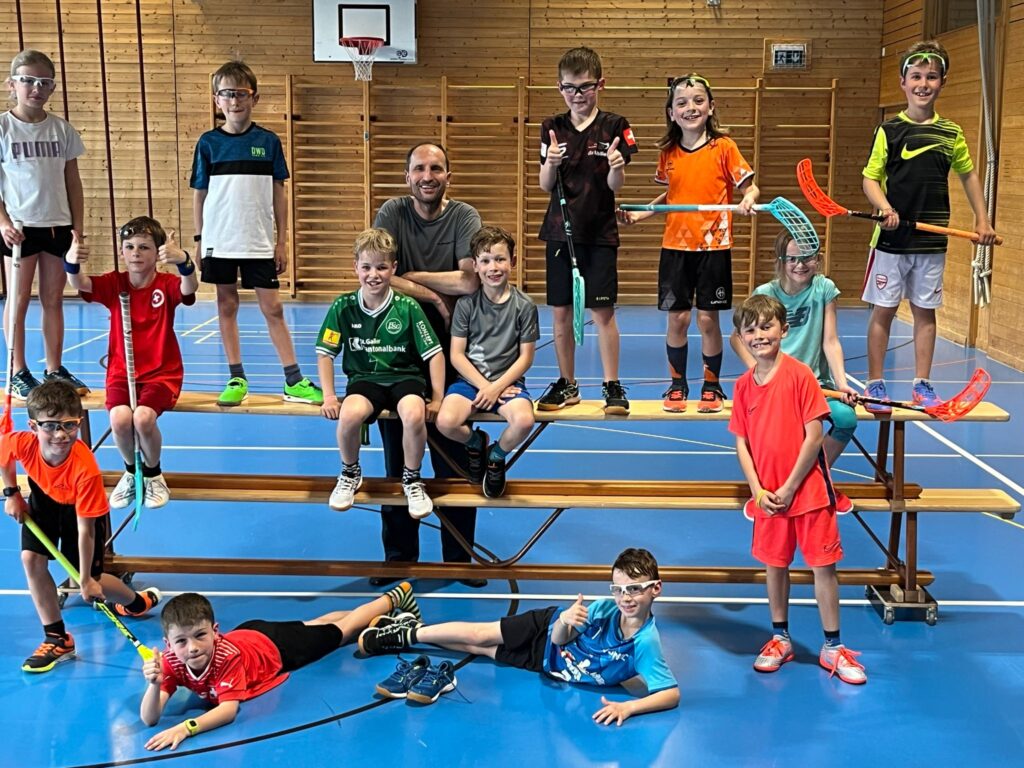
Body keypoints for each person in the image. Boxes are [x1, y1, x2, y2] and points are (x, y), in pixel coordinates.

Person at [358, 547, 679, 723]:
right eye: (618, 589)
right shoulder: (603, 609)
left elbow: (670, 693)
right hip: (545, 627)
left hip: (545, 663)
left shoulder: (645, 643)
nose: (625, 598)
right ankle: (408, 633)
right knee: (481, 634)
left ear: (656, 589)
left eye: (635, 589)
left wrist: (627, 708)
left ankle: (409, 624)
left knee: (479, 649)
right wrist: (565, 620)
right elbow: (560, 638)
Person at [729, 294, 866, 685]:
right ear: (741, 337)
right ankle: (780, 638)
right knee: (775, 565)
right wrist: (758, 491)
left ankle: (833, 646)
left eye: (766, 327)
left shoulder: (801, 375)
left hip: (807, 494)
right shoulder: (742, 386)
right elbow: (741, 442)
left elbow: (814, 435)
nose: (759, 335)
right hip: (768, 497)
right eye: (750, 330)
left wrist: (790, 487)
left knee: (823, 567)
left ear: (784, 330)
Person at [861, 40, 997, 412]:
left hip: (932, 240)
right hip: (891, 241)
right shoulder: (889, 130)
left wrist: (982, 220)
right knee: (883, 310)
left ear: (942, 82)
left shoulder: (951, 133)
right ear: (903, 83)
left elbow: (969, 176)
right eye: (916, 76)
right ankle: (875, 384)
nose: (924, 84)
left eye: (931, 77)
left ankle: (922, 385)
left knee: (925, 311)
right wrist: (884, 207)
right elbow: (870, 179)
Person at [372, 142, 483, 585]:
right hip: (398, 353)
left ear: (448, 176)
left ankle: (459, 559)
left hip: (454, 348)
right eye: (419, 168)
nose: (427, 176)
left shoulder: (464, 216)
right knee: (399, 459)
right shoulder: (392, 212)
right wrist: (435, 296)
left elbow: (469, 279)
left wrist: (411, 278)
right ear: (407, 176)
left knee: (454, 461)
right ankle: (399, 559)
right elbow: (377, 273)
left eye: (436, 168)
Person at [140, 582, 420, 751]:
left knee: (342, 632)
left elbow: (227, 711)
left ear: (215, 631)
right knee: (318, 625)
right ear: (168, 643)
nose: (192, 648)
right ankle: (378, 619)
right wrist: (154, 685)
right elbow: (149, 719)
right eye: (181, 641)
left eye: (200, 635)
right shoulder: (170, 661)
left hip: (277, 648)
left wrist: (186, 728)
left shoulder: (226, 658)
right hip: (251, 634)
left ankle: (395, 598)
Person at [619, 73, 757, 414]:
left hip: (714, 248)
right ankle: (677, 384)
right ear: (671, 113)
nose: (690, 107)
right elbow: (673, 195)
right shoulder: (668, 153)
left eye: (698, 101)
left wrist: (748, 199)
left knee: (708, 321)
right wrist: (641, 214)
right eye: (681, 103)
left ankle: (712, 386)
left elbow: (749, 186)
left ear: (711, 107)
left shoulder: (724, 147)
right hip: (676, 248)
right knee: (678, 320)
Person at [1, 380, 161, 673]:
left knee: (89, 579)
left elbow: (86, 531)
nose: (61, 434)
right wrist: (11, 494)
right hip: (43, 500)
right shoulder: (23, 442)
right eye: (50, 426)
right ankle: (57, 638)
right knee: (30, 559)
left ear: (79, 422)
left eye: (69, 425)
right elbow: (4, 453)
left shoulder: (85, 470)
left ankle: (136, 603)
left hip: (80, 513)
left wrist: (86, 579)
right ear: (33, 426)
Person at [191, 60, 322, 408]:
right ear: (217, 100)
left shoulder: (268, 141)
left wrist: (282, 241)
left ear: (255, 98)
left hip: (258, 240)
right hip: (219, 241)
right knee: (226, 304)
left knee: (273, 307)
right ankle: (236, 377)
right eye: (227, 94)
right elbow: (200, 194)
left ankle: (293, 380)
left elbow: (279, 192)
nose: (234, 101)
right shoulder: (208, 143)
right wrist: (200, 240)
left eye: (241, 94)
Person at [66, 217, 198, 509]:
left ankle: (153, 474)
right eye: (129, 247)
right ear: (121, 251)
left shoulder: (166, 284)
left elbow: (189, 288)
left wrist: (184, 261)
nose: (136, 253)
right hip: (121, 372)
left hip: (162, 373)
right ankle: (130, 472)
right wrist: (71, 262)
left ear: (158, 253)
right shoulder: (115, 283)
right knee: (120, 419)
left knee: (143, 418)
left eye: (144, 247)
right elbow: (80, 282)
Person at [316, 228, 445, 521]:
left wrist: (437, 398)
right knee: (349, 415)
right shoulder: (343, 306)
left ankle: (412, 479)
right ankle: (350, 472)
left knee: (414, 414)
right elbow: (325, 353)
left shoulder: (407, 307)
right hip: (364, 379)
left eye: (381, 267)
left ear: (393, 268)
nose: (373, 275)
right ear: (355, 267)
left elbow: (434, 353)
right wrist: (329, 396)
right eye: (366, 267)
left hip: (405, 377)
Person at [538, 46, 637, 415]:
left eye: (585, 87)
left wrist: (616, 167)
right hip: (559, 232)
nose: (577, 95)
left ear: (600, 85)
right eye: (569, 88)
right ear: (560, 87)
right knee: (561, 313)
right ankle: (567, 383)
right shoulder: (552, 127)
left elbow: (615, 186)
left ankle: (612, 384)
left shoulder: (615, 125)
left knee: (602, 312)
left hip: (600, 234)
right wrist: (550, 163)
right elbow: (545, 185)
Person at [730, 232, 857, 517]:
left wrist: (842, 384)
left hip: (817, 384)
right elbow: (737, 338)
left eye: (807, 257)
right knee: (774, 432)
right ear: (781, 260)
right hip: (775, 385)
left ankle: (817, 480)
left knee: (846, 418)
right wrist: (760, 372)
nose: (800, 265)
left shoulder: (824, 288)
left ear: (817, 259)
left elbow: (831, 341)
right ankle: (765, 490)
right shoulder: (765, 292)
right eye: (792, 259)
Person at [0, 49, 89, 399]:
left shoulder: (61, 130)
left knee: (54, 299)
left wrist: (77, 228)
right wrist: (2, 222)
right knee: (18, 299)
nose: (36, 88)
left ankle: (54, 368)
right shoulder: (3, 128)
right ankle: (17, 370)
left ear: (52, 87)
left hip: (57, 226)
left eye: (44, 82)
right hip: (19, 229)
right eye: (28, 81)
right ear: (12, 85)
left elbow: (73, 182)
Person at [436, 226, 539, 498]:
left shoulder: (525, 306)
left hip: (508, 384)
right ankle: (476, 442)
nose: (493, 267)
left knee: (524, 422)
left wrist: (497, 387)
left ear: (512, 262)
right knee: (445, 422)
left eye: (500, 259)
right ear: (475, 265)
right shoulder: (466, 305)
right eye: (485, 261)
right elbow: (457, 355)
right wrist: (485, 387)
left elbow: (526, 357)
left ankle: (495, 457)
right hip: (470, 383)